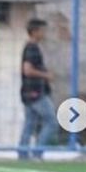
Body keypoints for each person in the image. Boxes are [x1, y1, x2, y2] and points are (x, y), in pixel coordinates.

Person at [17, 18, 56, 160]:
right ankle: (37, 152)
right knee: (52, 121)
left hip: (28, 91)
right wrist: (46, 75)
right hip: (35, 92)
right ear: (34, 32)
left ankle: (22, 154)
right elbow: (27, 70)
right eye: (43, 31)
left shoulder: (31, 47)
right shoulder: (32, 48)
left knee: (29, 123)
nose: (45, 34)